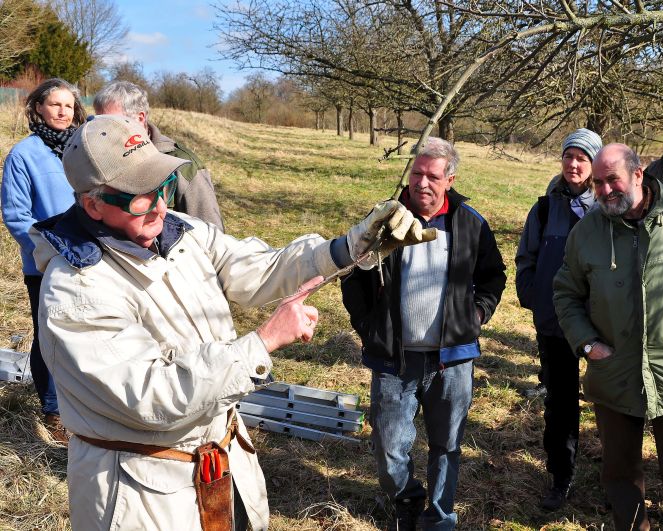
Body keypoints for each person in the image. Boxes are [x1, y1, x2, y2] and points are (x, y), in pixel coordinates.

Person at [31, 115, 433, 530]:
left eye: (162, 188)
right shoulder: (76, 289)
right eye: (139, 197)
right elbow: (151, 396)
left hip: (220, 466)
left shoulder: (181, 232)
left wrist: (352, 245)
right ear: (93, 204)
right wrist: (260, 344)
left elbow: (261, 269)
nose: (160, 208)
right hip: (143, 496)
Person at [553, 143, 663, 530]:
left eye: (612, 180)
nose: (604, 191)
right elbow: (566, 292)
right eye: (598, 182)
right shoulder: (587, 230)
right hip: (613, 372)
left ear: (638, 175)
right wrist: (586, 343)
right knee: (620, 477)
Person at [340, 137, 506, 530]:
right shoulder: (384, 220)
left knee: (447, 445)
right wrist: (369, 328)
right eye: (417, 173)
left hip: (453, 359)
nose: (422, 183)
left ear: (450, 179)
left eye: (433, 176)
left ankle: (440, 517)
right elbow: (352, 276)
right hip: (395, 359)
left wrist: (476, 315)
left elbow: (493, 276)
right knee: (389, 449)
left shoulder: (469, 222)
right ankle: (407, 500)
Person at [515, 128, 602, 511]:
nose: (573, 163)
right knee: (561, 402)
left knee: (611, 403)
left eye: (582, 157)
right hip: (554, 323)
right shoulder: (545, 207)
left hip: (604, 326)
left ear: (595, 163)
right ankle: (560, 476)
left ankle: (617, 477)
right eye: (568, 156)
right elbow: (526, 257)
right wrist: (533, 296)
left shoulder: (610, 207)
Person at [1, 78, 88, 443]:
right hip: (46, 265)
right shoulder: (24, 154)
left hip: (92, 260)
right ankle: (53, 410)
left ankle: (87, 405)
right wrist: (53, 251)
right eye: (55, 104)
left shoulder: (85, 149)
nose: (63, 111)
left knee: (87, 335)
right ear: (38, 107)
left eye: (68, 105)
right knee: (49, 337)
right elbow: (16, 214)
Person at [93, 80, 225, 229]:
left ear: (140, 118)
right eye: (99, 122)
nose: (103, 130)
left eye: (112, 122)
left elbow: (212, 232)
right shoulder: (100, 159)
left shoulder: (183, 163)